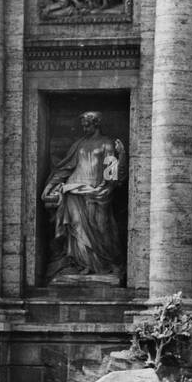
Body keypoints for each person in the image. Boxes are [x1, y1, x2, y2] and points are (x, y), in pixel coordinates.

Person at [42, 111, 128, 282]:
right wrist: (50, 187)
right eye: (83, 125)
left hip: (97, 192)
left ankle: (104, 266)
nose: (84, 128)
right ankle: (79, 264)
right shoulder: (79, 144)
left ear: (96, 123)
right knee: (76, 228)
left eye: (87, 124)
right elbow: (65, 168)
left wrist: (121, 158)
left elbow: (110, 173)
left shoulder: (107, 143)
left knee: (102, 228)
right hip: (73, 191)